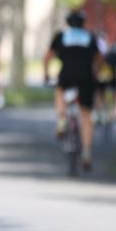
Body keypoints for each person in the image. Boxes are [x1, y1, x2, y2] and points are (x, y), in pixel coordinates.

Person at [43, 9, 103, 171]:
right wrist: (96, 72)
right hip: (86, 77)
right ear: (83, 23)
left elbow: (47, 57)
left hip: (67, 75)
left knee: (60, 91)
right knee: (86, 116)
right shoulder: (90, 37)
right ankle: (86, 153)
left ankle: (62, 119)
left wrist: (46, 74)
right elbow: (99, 58)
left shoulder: (61, 36)